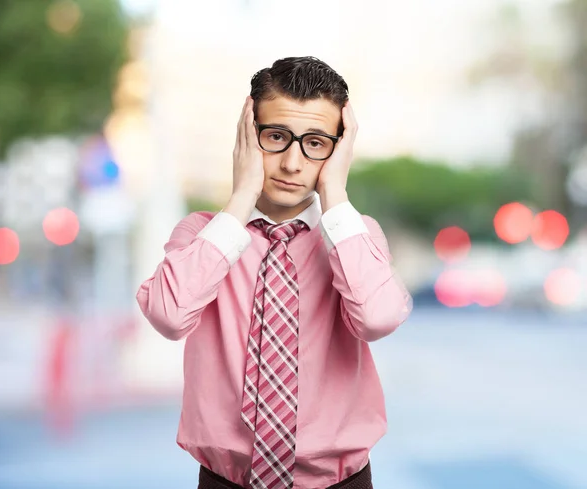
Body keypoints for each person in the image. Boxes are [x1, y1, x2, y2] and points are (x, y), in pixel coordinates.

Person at [136, 56, 412, 489]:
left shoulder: (355, 236)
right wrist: (243, 194)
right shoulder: (201, 235)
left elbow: (377, 319)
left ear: (338, 150)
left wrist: (335, 192)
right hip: (225, 482)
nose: (291, 163)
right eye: (276, 137)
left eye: (316, 143)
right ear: (248, 135)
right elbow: (169, 317)